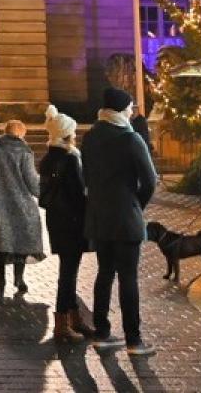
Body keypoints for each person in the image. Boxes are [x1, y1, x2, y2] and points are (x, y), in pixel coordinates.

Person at [81, 87, 158, 355]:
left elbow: (86, 177)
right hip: (126, 216)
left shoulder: (90, 137)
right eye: (130, 107)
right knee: (128, 278)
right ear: (122, 109)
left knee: (104, 274)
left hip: (99, 216)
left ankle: (101, 332)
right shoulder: (130, 138)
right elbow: (150, 180)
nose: (132, 111)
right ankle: (133, 339)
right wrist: (137, 204)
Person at [0, 118, 44, 296]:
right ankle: (19, 278)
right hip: (21, 204)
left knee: (0, 243)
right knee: (21, 241)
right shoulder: (24, 151)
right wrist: (42, 194)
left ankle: (0, 281)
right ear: (20, 133)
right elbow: (31, 180)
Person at [40, 106, 92, 341]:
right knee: (68, 273)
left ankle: (74, 318)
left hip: (56, 220)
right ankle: (62, 324)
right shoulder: (70, 159)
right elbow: (78, 195)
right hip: (72, 222)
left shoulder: (48, 158)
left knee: (68, 269)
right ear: (67, 134)